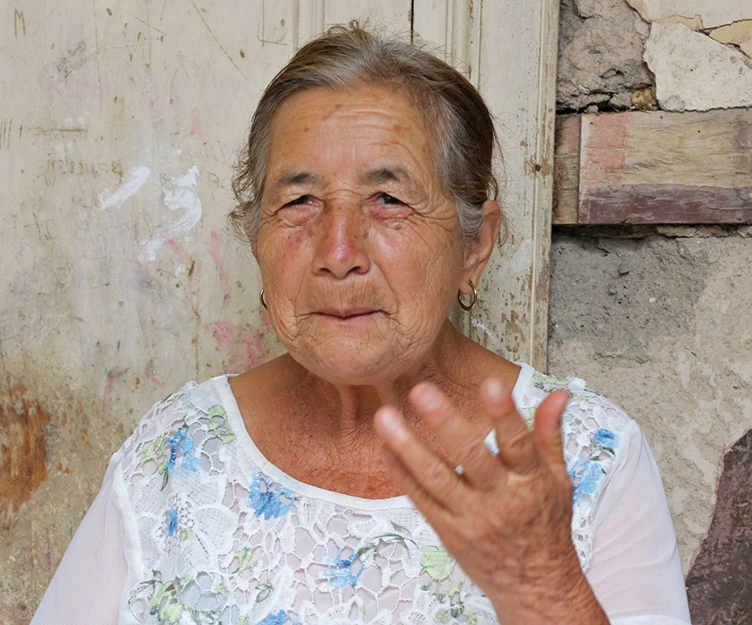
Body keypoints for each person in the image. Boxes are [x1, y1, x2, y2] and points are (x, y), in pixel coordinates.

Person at [31, 23, 690, 625]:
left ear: (475, 244)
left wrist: (546, 589)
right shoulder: (176, 455)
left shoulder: (589, 457)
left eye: (388, 200)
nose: (338, 252)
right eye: (300, 201)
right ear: (254, 237)